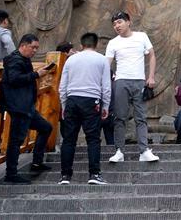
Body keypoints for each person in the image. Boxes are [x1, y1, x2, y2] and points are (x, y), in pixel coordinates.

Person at [104, 11, 159, 163]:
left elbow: (152, 55)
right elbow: (106, 64)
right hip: (121, 81)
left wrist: (151, 76)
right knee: (120, 117)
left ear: (129, 22)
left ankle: (144, 150)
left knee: (140, 117)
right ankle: (119, 151)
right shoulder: (113, 42)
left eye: (120, 22)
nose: (117, 26)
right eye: (114, 24)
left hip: (139, 81)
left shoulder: (141, 36)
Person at [0, 33, 55, 183]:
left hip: (26, 106)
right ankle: (11, 174)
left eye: (37, 48)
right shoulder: (14, 60)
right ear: (23, 46)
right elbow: (14, 79)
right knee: (16, 141)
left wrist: (36, 74)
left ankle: (37, 162)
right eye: (33, 47)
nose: (35, 51)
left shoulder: (23, 59)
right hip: (18, 106)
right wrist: (36, 74)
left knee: (46, 128)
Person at [58, 32, 111, 185]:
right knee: (93, 139)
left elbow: (63, 86)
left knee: (68, 139)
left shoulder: (71, 60)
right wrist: (105, 105)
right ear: (96, 45)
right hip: (91, 100)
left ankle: (65, 176)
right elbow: (106, 86)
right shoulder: (102, 60)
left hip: (72, 100)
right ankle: (94, 174)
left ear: (81, 45)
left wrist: (64, 105)